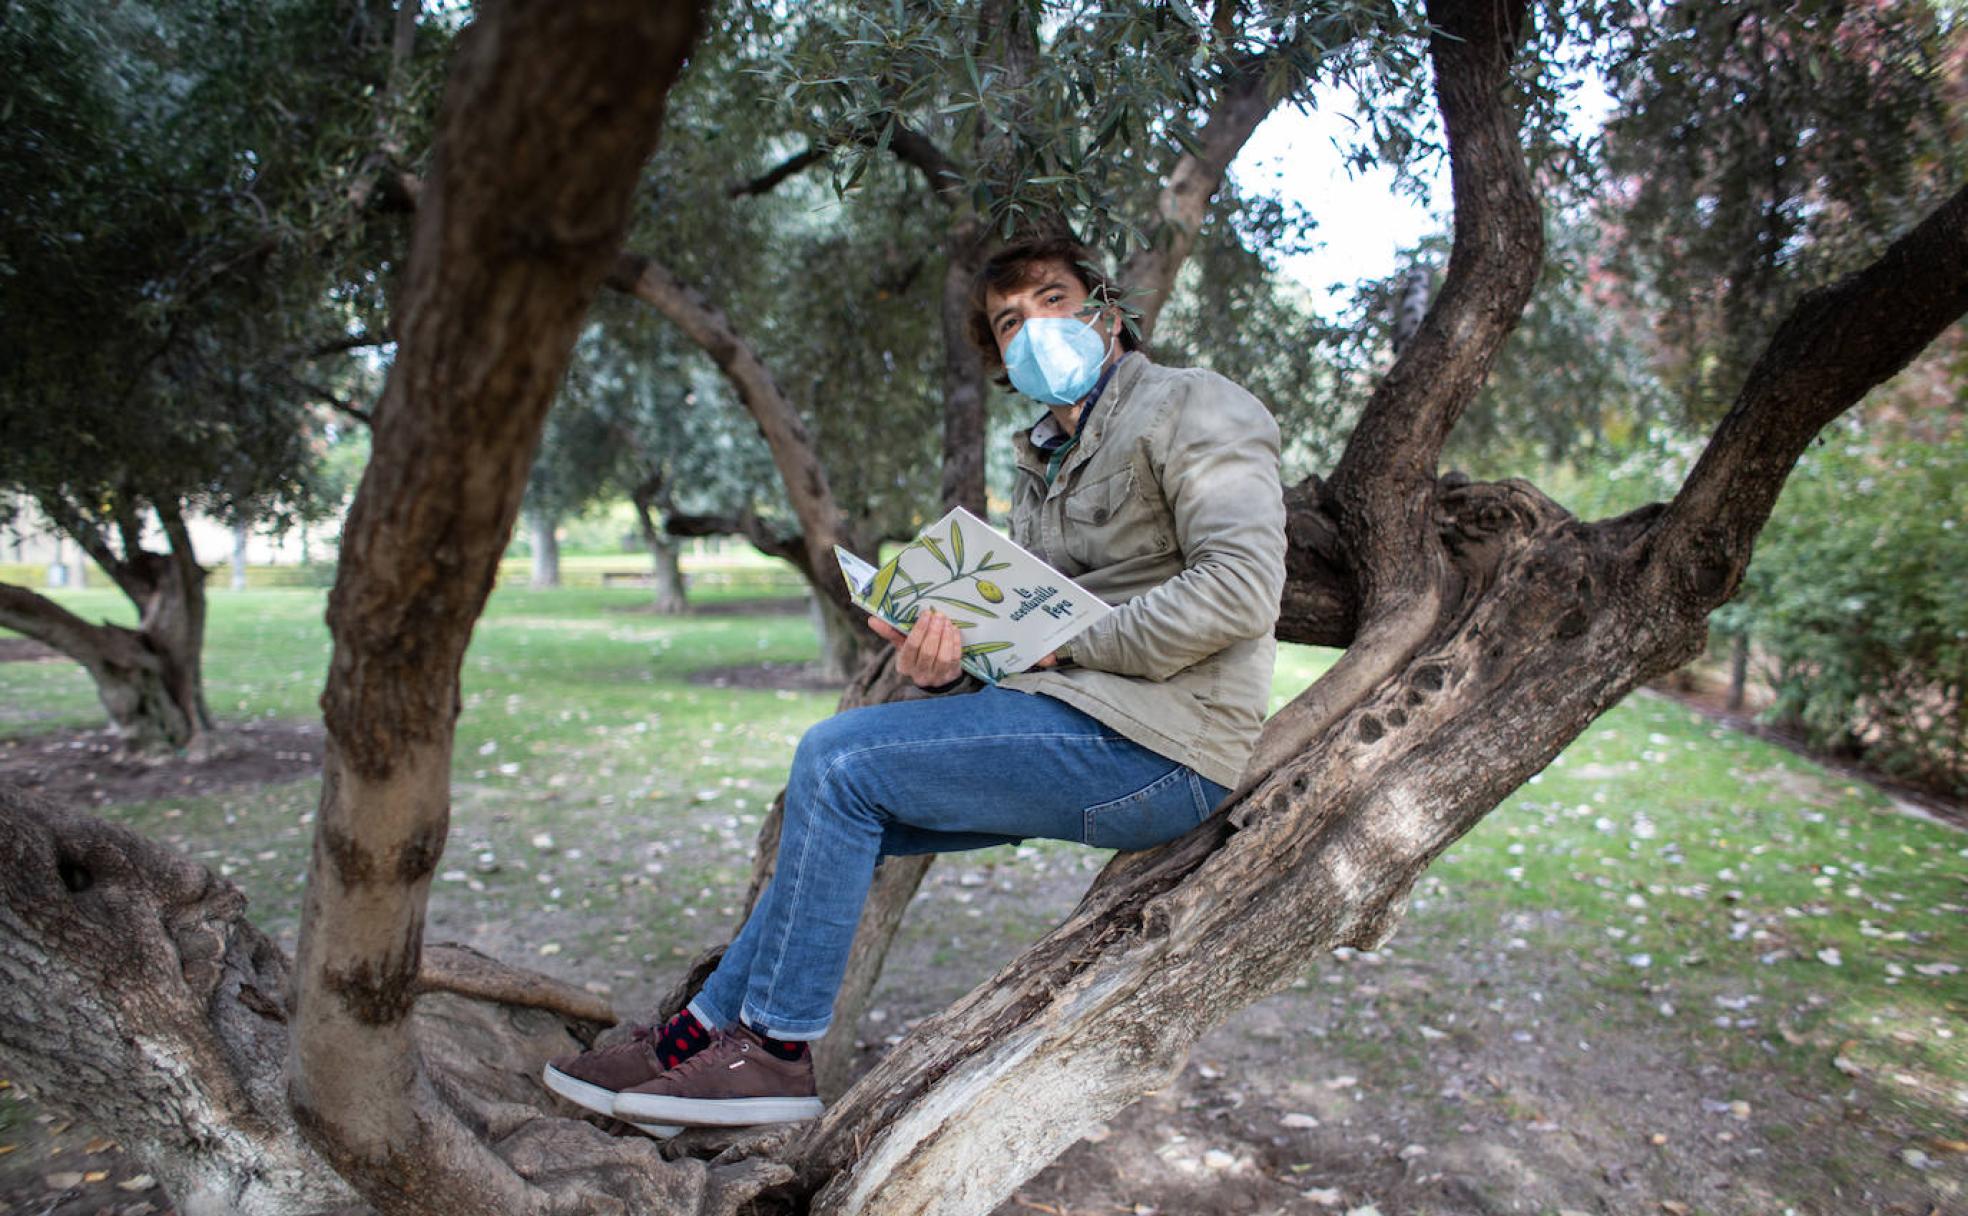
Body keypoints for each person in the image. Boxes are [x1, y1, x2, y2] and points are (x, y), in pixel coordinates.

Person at [543, 235, 1286, 1133]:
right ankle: (693, 1040)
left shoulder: (1192, 405)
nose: (1034, 327)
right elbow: (1032, 636)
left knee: (837, 760)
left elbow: (1239, 589)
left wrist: (1056, 648)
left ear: (1107, 311)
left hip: (1162, 746)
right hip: (1072, 721)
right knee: (844, 811)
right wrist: (945, 659)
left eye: (1053, 299)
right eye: (1010, 321)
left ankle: (775, 1057)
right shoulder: (1042, 461)